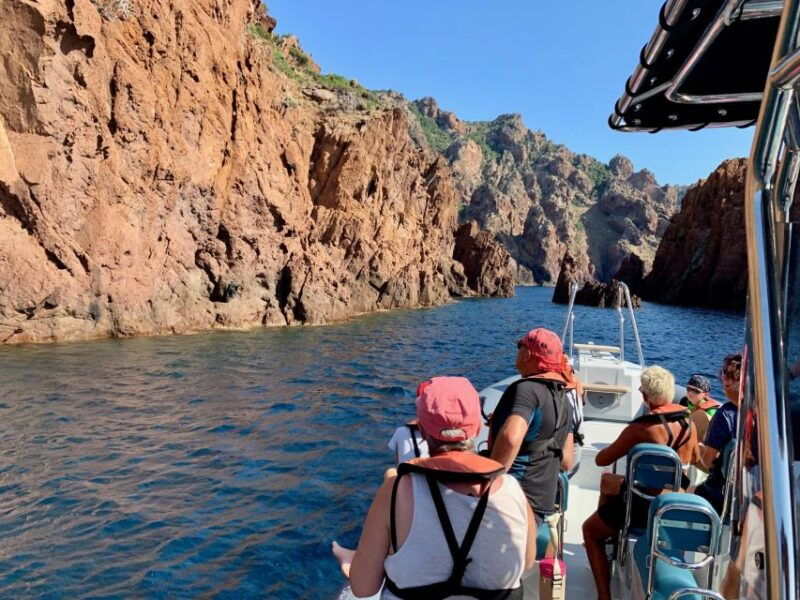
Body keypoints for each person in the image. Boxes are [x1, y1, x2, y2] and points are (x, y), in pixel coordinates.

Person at [332, 376, 536, 599]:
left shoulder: (396, 492)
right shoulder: (513, 488)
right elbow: (526, 562)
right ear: (478, 428)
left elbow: (363, 588)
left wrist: (350, 562)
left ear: (422, 430)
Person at [582, 365, 699, 600]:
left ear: (645, 396)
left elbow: (601, 459)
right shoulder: (689, 425)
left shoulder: (641, 429)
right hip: (673, 504)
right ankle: (613, 539)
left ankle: (604, 596)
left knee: (589, 530)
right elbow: (695, 458)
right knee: (609, 481)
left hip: (641, 507)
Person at [488, 327, 574, 521]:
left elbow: (510, 438)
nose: (518, 351)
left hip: (511, 501)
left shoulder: (526, 390)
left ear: (527, 354)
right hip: (541, 506)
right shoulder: (565, 400)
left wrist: (490, 483)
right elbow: (567, 460)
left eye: (520, 346)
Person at [694, 354, 742, 515]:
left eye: (730, 375)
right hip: (745, 499)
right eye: (724, 373)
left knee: (683, 492)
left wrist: (696, 447)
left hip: (717, 496)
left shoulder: (725, 415)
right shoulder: (767, 415)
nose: (724, 380)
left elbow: (707, 461)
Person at [678, 374, 721, 445]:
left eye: (696, 391)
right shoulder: (683, 401)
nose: (691, 393)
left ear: (706, 395)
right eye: (688, 389)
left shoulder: (710, 411)